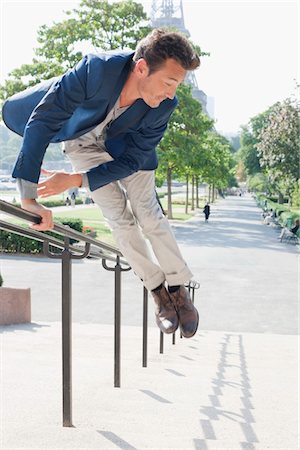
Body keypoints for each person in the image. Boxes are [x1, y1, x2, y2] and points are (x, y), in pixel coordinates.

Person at [2, 29, 199, 338]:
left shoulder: (164, 106)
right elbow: (42, 122)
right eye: (169, 83)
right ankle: (158, 290)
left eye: (177, 85)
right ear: (142, 67)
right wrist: (28, 196)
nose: (171, 94)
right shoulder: (93, 71)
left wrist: (77, 180)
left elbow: (132, 160)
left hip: (131, 153)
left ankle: (177, 287)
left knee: (147, 214)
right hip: (82, 146)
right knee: (119, 219)